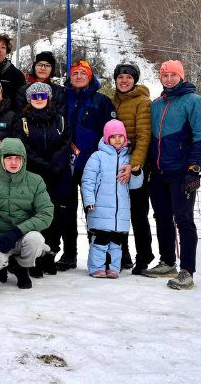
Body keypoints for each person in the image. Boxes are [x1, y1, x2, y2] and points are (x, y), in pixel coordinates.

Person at [143, 60, 201, 290]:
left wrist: (194, 169)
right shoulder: (157, 104)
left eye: (173, 75)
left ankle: (187, 270)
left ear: (181, 76)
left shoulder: (195, 102)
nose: (169, 79)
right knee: (162, 217)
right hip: (159, 171)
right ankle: (167, 261)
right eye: (165, 75)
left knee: (184, 220)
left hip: (182, 173)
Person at [58, 60, 115, 271]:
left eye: (84, 73)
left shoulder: (102, 101)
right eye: (75, 73)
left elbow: (109, 135)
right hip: (66, 164)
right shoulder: (62, 97)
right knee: (66, 211)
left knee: (94, 210)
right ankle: (69, 253)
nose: (79, 76)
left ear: (91, 77)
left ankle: (99, 255)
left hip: (92, 164)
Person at [0, 138, 54, 289]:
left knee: (36, 240)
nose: (14, 162)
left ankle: (22, 268)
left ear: (23, 159)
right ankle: (2, 266)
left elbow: (46, 213)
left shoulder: (35, 181)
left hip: (22, 236)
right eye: (9, 158)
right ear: (1, 159)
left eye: (18, 158)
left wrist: (18, 231)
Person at [16, 82, 72, 277]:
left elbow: (66, 143)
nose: (39, 100)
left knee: (55, 215)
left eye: (42, 96)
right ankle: (36, 257)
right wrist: (41, 164)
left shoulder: (60, 120)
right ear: (29, 100)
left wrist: (55, 164)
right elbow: (23, 147)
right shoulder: (22, 121)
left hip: (57, 175)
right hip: (33, 174)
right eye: (34, 96)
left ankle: (50, 254)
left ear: (48, 98)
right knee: (35, 214)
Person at [81, 120, 144, 278]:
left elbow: (135, 185)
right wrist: (89, 200)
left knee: (116, 242)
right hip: (100, 208)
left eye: (120, 136)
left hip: (120, 211)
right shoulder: (98, 157)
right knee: (100, 241)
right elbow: (88, 180)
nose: (117, 139)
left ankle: (114, 268)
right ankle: (96, 268)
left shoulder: (128, 159)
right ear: (106, 138)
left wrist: (135, 173)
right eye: (113, 136)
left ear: (125, 138)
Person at [110, 63, 154, 274]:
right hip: (116, 167)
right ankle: (123, 254)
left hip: (135, 167)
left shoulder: (142, 102)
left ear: (134, 80)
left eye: (128, 77)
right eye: (120, 77)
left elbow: (144, 137)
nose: (124, 80)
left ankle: (144, 256)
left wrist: (134, 165)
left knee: (138, 213)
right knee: (119, 212)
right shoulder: (114, 101)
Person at [15, 51, 66, 116]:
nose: (43, 68)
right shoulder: (23, 90)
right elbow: (19, 114)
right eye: (39, 65)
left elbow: (60, 115)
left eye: (47, 65)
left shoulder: (58, 91)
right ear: (34, 67)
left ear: (52, 69)